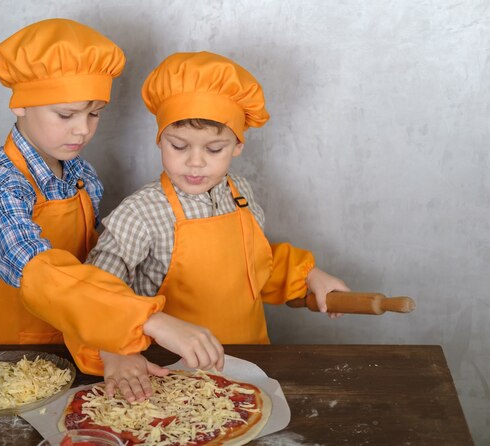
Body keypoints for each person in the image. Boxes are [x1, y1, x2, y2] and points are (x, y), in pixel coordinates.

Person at [0, 20, 223, 379]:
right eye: (66, 114)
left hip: (72, 350)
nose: (83, 129)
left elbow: (91, 271)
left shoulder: (82, 176)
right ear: (20, 104)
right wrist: (148, 319)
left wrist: (112, 344)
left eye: (94, 113)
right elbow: (40, 271)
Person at [86, 51, 349, 401]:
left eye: (214, 149)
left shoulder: (240, 194)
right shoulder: (141, 213)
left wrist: (310, 277)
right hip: (171, 376)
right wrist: (116, 351)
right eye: (178, 146)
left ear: (238, 145)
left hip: (249, 367)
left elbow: (252, 268)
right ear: (160, 139)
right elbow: (96, 291)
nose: (195, 162)